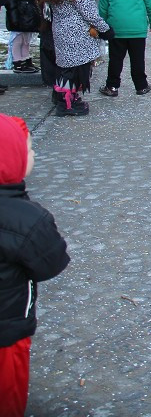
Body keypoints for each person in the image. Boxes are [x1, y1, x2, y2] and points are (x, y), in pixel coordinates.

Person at [0, 113, 70, 417]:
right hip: (6, 334)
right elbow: (51, 263)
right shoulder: (27, 219)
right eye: (28, 149)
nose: (33, 154)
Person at [34, 0, 113, 116]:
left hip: (60, 31)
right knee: (75, 70)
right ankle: (68, 103)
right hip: (78, 33)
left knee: (66, 68)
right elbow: (89, 13)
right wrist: (105, 29)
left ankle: (62, 98)